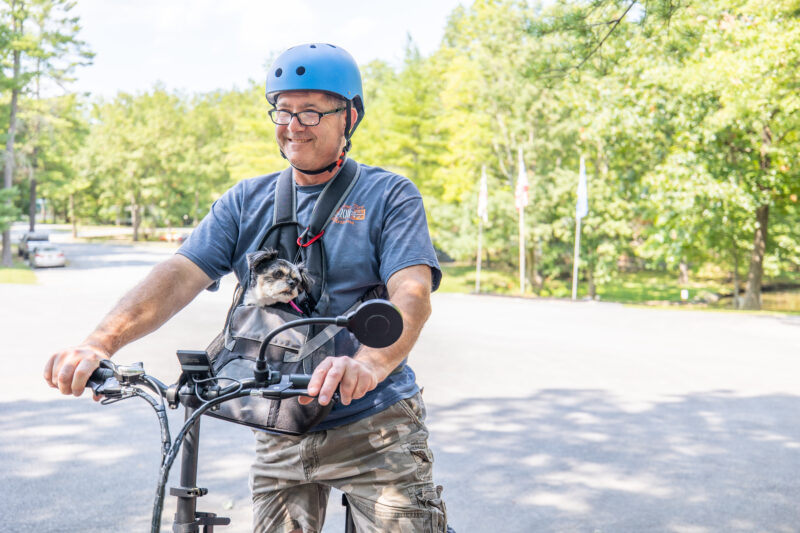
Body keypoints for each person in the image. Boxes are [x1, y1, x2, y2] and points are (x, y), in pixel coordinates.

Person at [43, 43, 450, 533]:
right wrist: (98, 344)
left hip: (374, 424)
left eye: (312, 111)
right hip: (280, 422)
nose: (293, 124)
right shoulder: (245, 200)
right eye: (283, 108)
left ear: (350, 117)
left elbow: (411, 293)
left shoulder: (389, 195)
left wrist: (368, 363)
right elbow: (177, 276)